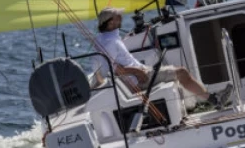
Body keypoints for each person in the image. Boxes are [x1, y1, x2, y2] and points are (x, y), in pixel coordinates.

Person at [92, 7, 233, 110]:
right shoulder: (109, 42)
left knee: (177, 71)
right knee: (181, 72)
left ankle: (210, 98)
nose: (121, 17)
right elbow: (113, 69)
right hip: (139, 79)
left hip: (140, 73)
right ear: (110, 22)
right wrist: (138, 72)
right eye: (118, 16)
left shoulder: (105, 38)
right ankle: (215, 100)